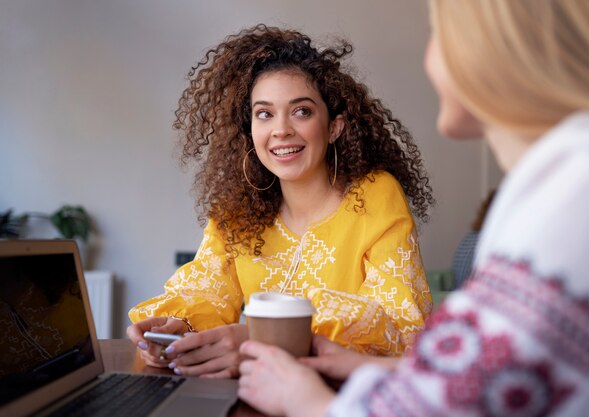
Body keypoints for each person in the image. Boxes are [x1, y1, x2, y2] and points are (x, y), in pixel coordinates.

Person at [237, 1, 589, 416]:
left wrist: (307, 402)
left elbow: (455, 405)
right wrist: (367, 366)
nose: (429, 61)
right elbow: (479, 375)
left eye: (436, 36)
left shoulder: (588, 181)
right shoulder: (580, 172)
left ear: (493, 48)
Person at [126, 25, 435, 378]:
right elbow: (206, 291)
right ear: (251, 130)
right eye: (265, 113)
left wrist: (262, 340)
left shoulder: (375, 195)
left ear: (334, 127)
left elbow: (398, 325)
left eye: (301, 111)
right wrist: (174, 328)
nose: (281, 130)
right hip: (260, 392)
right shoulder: (236, 209)